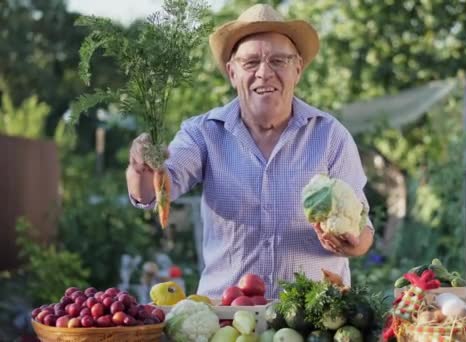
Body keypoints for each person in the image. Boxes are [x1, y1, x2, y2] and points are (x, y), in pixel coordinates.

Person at [126, 4, 374, 299]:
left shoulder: (331, 136)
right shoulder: (203, 133)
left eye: (278, 61)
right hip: (226, 316)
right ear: (232, 73)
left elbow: (363, 226)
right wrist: (141, 168)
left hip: (314, 316)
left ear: (298, 69)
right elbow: (154, 191)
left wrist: (354, 245)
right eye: (251, 62)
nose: (264, 73)